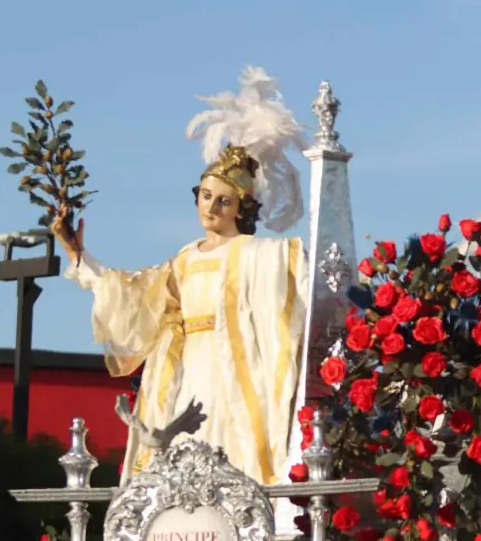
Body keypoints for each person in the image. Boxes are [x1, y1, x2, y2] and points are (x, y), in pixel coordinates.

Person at [53, 67, 309, 486]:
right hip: (186, 369)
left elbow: (302, 279)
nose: (211, 207)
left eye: (224, 201)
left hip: (233, 369)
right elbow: (134, 293)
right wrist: (79, 254)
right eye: (205, 196)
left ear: (240, 209)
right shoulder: (184, 260)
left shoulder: (257, 254)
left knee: (230, 457)